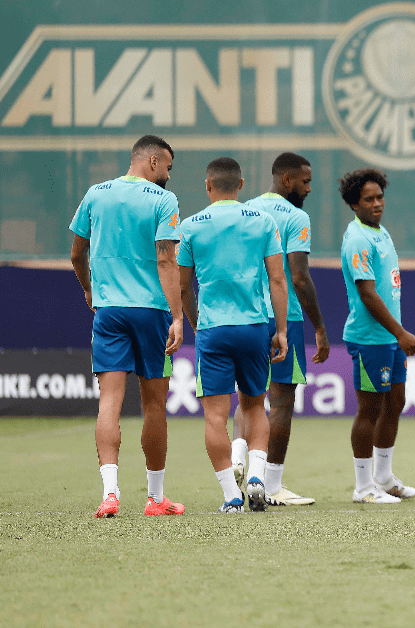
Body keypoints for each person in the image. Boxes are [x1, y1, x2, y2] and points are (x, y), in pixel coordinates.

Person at [69, 135, 186, 518]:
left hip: (109, 311)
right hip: (150, 311)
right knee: (154, 405)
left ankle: (110, 494)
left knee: (109, 403)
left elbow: (75, 252)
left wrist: (89, 289)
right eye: (167, 166)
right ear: (151, 161)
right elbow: (166, 260)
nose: (168, 175)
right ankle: (155, 499)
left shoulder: (96, 194)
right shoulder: (163, 201)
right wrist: (178, 315)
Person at [177, 157, 289, 513]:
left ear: (208, 186)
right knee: (255, 407)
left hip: (213, 329)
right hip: (255, 326)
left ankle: (230, 497)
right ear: (241, 185)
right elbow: (278, 280)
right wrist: (282, 330)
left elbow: (183, 288)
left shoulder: (191, 226)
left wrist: (195, 325)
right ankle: (256, 476)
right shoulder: (263, 221)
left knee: (215, 417)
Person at [225, 153, 330, 507]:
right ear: (287, 180)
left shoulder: (244, 209)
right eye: (305, 181)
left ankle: (239, 453)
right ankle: (271, 485)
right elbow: (298, 276)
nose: (309, 188)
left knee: (249, 395)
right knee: (282, 401)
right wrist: (319, 326)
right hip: (284, 315)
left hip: (245, 313)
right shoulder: (296, 217)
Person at [340, 168, 415, 504]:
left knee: (395, 403)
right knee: (369, 410)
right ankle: (363, 487)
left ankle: (384, 477)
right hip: (371, 338)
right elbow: (368, 294)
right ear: (354, 205)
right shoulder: (358, 238)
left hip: (388, 338)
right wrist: (400, 332)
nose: (377, 204)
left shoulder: (379, 231)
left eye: (379, 197)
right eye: (368, 199)